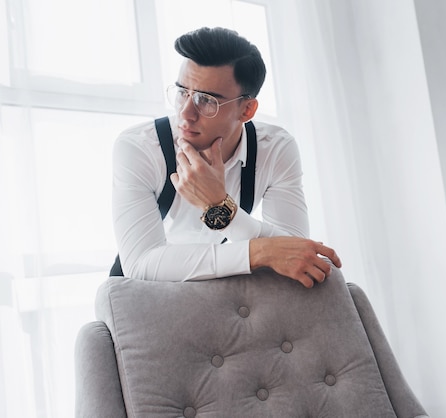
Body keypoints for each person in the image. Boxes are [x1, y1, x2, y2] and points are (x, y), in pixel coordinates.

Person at [112, 27, 341, 288]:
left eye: (205, 100)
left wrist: (219, 206)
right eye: (182, 92)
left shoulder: (275, 149)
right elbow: (141, 264)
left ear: (247, 109)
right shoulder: (140, 148)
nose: (185, 114)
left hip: (223, 295)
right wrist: (258, 252)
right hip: (143, 295)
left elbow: (295, 251)